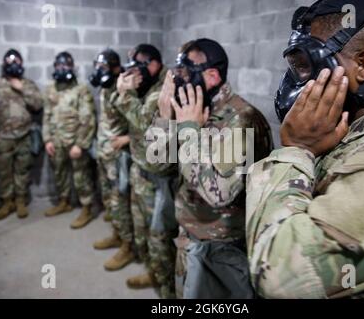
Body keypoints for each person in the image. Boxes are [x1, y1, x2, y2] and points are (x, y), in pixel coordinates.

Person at [246, 0, 364, 298]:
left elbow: (281, 279)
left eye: (305, 65)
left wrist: (296, 149)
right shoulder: (346, 127)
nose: (295, 81)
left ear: (363, 65)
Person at [152, 38, 273, 298]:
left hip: (221, 247)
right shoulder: (188, 109)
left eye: (186, 73)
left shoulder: (242, 120)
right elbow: (158, 165)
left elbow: (217, 193)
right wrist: (164, 119)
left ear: (212, 75)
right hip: (189, 233)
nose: (179, 80)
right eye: (178, 72)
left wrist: (188, 130)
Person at [111, 44, 177, 298]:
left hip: (158, 176)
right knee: (143, 230)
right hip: (141, 166)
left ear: (153, 65)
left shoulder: (162, 90)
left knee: (159, 235)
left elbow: (141, 123)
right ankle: (154, 273)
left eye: (140, 65)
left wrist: (124, 93)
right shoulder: (148, 85)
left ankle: (168, 290)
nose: (134, 71)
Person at [0, 49, 43, 219]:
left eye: (17, 61)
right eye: (10, 61)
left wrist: (22, 89)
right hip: (2, 138)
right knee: (3, 172)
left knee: (23, 170)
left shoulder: (27, 84)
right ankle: (7, 202)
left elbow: (38, 105)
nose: (13, 65)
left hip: (24, 136)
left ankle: (20, 201)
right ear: (4, 64)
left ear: (22, 64)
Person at [91, 49, 136, 271]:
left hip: (118, 155)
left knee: (120, 201)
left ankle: (128, 245)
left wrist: (128, 138)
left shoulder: (126, 87)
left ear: (116, 68)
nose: (100, 71)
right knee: (109, 199)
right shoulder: (104, 86)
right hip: (103, 151)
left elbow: (140, 118)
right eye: (97, 67)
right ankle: (118, 235)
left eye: (104, 67)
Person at [42, 51, 96, 229]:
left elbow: (88, 119)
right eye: (58, 65)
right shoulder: (51, 89)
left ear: (72, 67)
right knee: (59, 173)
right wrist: (47, 139)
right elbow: (47, 115)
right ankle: (64, 202)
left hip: (74, 142)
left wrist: (80, 145)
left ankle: (87, 208)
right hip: (56, 142)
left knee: (81, 176)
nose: (62, 68)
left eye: (66, 65)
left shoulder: (81, 89)